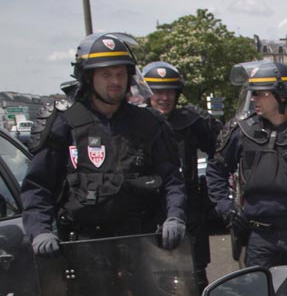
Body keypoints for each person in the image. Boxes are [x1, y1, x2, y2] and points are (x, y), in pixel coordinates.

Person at [22, 32, 186, 255]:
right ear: (89, 77)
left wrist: (174, 216)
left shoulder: (149, 123)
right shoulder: (63, 123)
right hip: (82, 249)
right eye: (106, 74)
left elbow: (171, 180)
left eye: (120, 74)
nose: (116, 81)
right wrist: (40, 230)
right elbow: (38, 185)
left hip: (143, 246)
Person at [206, 60, 287, 268]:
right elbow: (216, 169)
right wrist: (227, 209)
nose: (254, 99)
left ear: (282, 94)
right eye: (252, 94)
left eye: (260, 93)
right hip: (259, 238)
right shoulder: (242, 131)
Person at [142, 61, 221, 290]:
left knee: (194, 277)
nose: (163, 97)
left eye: (168, 91)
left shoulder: (191, 121)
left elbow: (220, 153)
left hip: (189, 206)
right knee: (152, 277)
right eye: (157, 92)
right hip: (149, 206)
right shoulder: (138, 122)